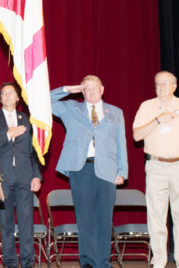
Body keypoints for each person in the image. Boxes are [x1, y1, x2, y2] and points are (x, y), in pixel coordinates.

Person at [50, 75, 128, 268]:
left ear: (102, 89)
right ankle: (87, 263)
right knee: (85, 220)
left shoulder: (115, 112)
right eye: (86, 89)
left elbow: (121, 143)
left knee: (104, 220)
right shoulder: (70, 108)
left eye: (94, 88)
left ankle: (103, 264)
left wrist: (122, 171)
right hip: (81, 168)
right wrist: (67, 89)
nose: (91, 92)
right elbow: (45, 102)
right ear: (82, 91)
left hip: (107, 170)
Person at [132, 71, 179, 268]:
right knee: (156, 217)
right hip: (155, 166)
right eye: (158, 83)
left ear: (175, 86)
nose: (161, 87)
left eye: (165, 83)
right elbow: (137, 135)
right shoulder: (147, 107)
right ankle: (158, 262)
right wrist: (158, 119)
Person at [0, 83, 42, 268]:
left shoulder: (27, 120)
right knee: (6, 224)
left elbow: (34, 151)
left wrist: (36, 176)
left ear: (18, 98)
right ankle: (10, 262)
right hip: (2, 178)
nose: (7, 96)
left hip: (25, 177)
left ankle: (28, 262)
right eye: (3, 94)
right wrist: (7, 134)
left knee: (26, 222)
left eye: (10, 93)